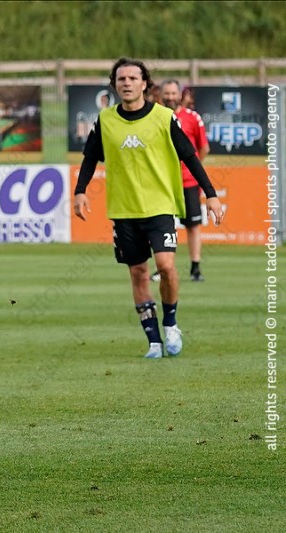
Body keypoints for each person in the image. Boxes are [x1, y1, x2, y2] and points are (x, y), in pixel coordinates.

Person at [73, 58, 224, 359]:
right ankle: (153, 340)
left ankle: (171, 323)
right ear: (114, 85)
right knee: (139, 273)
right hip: (124, 210)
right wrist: (80, 191)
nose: (127, 83)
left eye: (133, 78)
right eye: (121, 79)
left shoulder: (164, 117)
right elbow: (90, 157)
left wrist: (211, 194)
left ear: (145, 84)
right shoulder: (105, 120)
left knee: (166, 266)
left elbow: (190, 156)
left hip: (160, 207)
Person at [151, 79, 211, 282]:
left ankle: (195, 268)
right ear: (161, 95)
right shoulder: (154, 117)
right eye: (167, 94)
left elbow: (204, 148)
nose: (170, 97)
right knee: (162, 226)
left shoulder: (192, 118)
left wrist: (193, 168)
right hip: (162, 182)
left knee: (193, 225)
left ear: (180, 95)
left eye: (173, 93)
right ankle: (163, 268)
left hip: (188, 182)